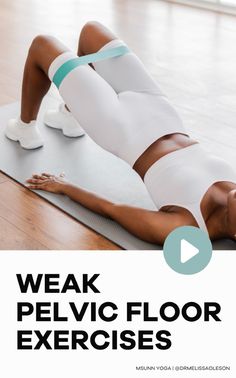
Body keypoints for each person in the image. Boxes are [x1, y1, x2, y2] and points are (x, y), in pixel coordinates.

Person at [5, 21, 236, 245]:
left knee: (42, 45)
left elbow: (113, 210)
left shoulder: (184, 226)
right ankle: (69, 112)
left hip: (117, 124)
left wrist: (64, 187)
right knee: (92, 31)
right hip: (156, 104)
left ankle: (24, 127)